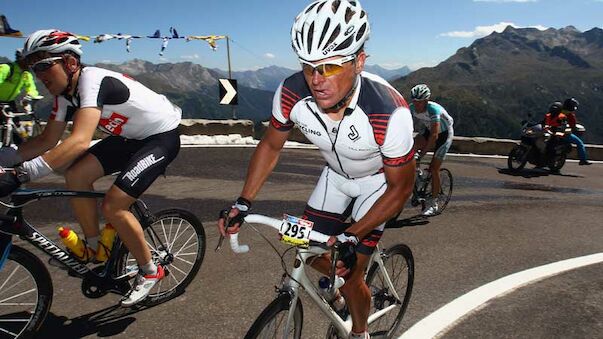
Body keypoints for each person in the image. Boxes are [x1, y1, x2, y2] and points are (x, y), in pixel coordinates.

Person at [217, 1, 415, 338]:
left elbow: (401, 189)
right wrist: (243, 202)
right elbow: (270, 145)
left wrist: (352, 236)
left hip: (377, 187)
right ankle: (337, 289)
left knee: (352, 274)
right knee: (307, 251)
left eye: (331, 66)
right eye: (309, 67)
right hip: (335, 179)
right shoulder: (291, 92)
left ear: (359, 61)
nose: (317, 79)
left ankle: (360, 332)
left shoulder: (388, 112)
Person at [0, 29, 182, 306]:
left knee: (114, 205)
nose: (39, 75)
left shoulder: (92, 81)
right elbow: (47, 140)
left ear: (70, 63)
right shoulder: (64, 96)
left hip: (161, 138)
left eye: (43, 65)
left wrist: (23, 174)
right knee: (75, 175)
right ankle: (96, 248)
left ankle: (150, 270)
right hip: (130, 138)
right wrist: (5, 158)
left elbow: (79, 141)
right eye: (34, 68)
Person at [408, 84, 454, 216]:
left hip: (444, 134)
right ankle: (418, 177)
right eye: (414, 101)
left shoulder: (433, 110)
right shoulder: (411, 108)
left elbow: (434, 136)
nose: (417, 105)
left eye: (420, 102)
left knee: (434, 168)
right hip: (429, 131)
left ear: (426, 101)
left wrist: (422, 154)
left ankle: (433, 202)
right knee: (411, 149)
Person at [562, 98, 591, 166]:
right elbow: (573, 126)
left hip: (553, 131)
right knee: (580, 143)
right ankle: (583, 160)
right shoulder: (570, 115)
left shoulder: (558, 111)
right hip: (564, 134)